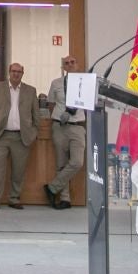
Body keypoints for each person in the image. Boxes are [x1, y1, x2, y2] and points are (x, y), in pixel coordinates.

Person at [0, 62, 38, 210]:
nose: (16, 74)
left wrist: (32, 133)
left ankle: (14, 199)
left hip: (21, 137)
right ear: (9, 72)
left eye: (19, 72)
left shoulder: (30, 91)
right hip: (0, 136)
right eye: (13, 71)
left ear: (22, 73)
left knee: (18, 171)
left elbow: (36, 116)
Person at [40, 55, 89, 209]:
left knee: (77, 162)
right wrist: (57, 116)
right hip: (59, 127)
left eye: (72, 62)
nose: (70, 65)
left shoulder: (85, 82)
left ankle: (52, 187)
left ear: (78, 64)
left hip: (78, 126)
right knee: (61, 164)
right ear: (63, 68)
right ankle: (65, 199)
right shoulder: (56, 83)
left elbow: (88, 103)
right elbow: (51, 104)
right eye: (66, 63)